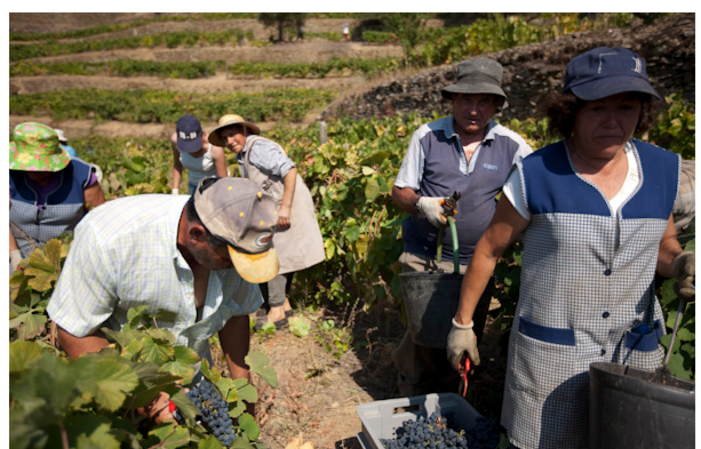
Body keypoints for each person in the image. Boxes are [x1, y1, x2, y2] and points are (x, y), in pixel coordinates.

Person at [446, 47, 696, 449]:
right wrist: (462, 325)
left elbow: (664, 246)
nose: (613, 122)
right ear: (571, 112)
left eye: (626, 108)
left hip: (633, 354)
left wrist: (682, 260)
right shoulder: (537, 173)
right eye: (597, 109)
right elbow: (490, 250)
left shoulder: (662, 170)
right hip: (552, 360)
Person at [47, 176, 280, 422]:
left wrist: (242, 394)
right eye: (230, 261)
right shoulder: (108, 239)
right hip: (117, 397)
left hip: (193, 391)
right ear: (198, 235)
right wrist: (143, 394)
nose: (237, 270)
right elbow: (74, 332)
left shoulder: (237, 241)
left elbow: (235, 313)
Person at [390, 58, 533, 396]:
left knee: (462, 338)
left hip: (476, 263)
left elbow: (532, 194)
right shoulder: (427, 136)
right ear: (452, 100)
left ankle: (449, 404)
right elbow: (400, 192)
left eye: (484, 101)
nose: (473, 109)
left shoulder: (512, 145)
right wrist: (421, 203)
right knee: (423, 338)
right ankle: (409, 399)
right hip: (424, 258)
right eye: (466, 100)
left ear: (496, 105)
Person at [208, 114, 325, 328]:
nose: (229, 141)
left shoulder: (258, 148)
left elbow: (289, 170)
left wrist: (285, 207)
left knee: (277, 256)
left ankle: (277, 310)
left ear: (244, 131)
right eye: (225, 138)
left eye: (232, 134)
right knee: (281, 254)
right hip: (278, 206)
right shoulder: (244, 154)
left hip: (287, 204)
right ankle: (284, 305)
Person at [10, 122, 106, 272]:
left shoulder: (81, 175)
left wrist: (80, 243)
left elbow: (101, 217)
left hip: (69, 258)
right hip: (18, 258)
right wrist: (13, 253)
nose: (36, 170)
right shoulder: (9, 174)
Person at [170, 114, 228, 195]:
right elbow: (177, 165)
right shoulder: (175, 141)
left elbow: (223, 181)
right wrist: (175, 191)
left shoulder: (214, 148)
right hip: (193, 185)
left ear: (201, 134)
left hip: (214, 187)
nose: (190, 150)